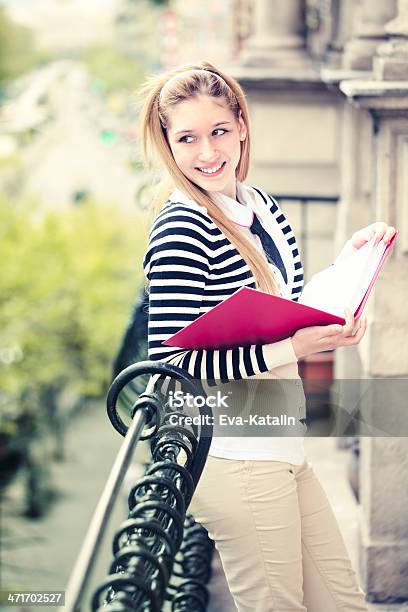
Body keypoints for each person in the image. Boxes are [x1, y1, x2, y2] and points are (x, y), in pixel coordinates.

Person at [139, 61, 396, 612]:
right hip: (234, 453)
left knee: (343, 604)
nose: (207, 152)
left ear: (241, 126)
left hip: (279, 440)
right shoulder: (183, 225)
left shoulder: (262, 207)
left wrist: (349, 266)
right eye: (187, 138)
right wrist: (296, 349)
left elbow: (286, 305)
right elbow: (175, 362)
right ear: (168, 144)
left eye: (218, 132)